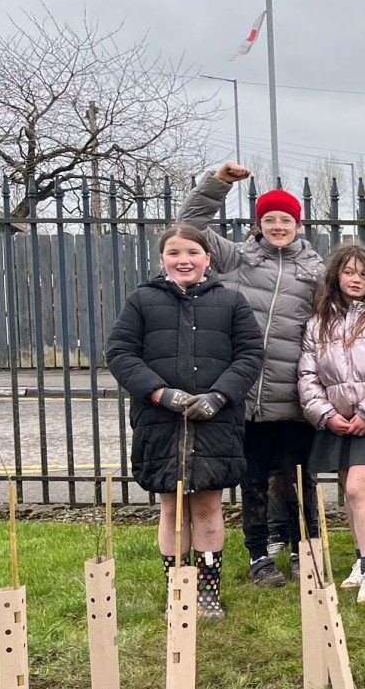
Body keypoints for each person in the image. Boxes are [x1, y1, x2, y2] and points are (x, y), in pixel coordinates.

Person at [177, 161, 323, 588]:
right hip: (246, 395)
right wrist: (218, 183)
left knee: (299, 479)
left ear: (297, 224)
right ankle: (259, 555)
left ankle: (303, 549)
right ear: (258, 225)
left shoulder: (315, 270)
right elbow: (189, 226)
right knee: (253, 479)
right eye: (270, 219)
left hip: (294, 395)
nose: (278, 226)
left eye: (286, 220)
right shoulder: (236, 259)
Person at [106, 224, 263, 618]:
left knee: (208, 507)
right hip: (161, 423)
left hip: (216, 422)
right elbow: (120, 353)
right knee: (172, 508)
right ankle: (177, 591)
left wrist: (219, 396)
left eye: (192, 252)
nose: (184, 260)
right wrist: (159, 393)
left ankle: (208, 593)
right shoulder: (141, 301)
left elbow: (250, 355)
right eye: (174, 253)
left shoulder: (232, 302)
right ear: (162, 259)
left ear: (207, 258)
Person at [297, 243, 365, 605]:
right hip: (336, 421)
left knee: (359, 487)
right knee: (348, 490)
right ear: (336, 276)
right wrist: (326, 414)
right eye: (349, 272)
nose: (356, 279)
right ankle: (361, 561)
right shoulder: (317, 323)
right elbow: (307, 375)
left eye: (364, 273)